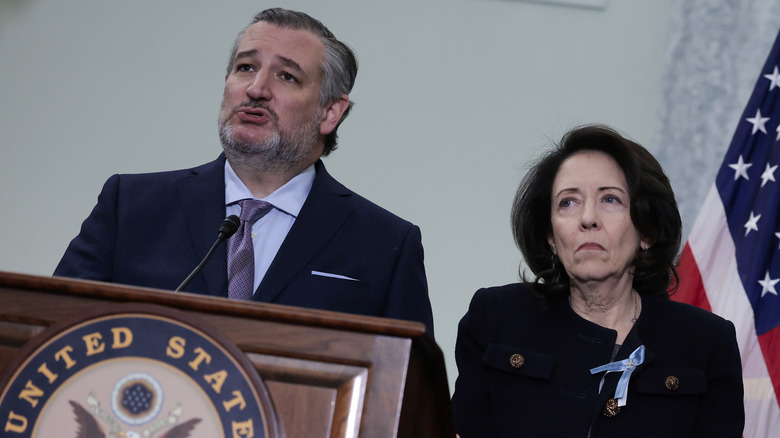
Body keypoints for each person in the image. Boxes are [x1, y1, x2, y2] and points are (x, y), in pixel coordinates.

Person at [53, 8, 434, 334]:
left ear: (330, 112)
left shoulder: (384, 244)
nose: (256, 88)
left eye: (287, 76)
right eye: (246, 67)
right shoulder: (131, 206)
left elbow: (403, 386)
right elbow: (53, 331)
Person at [451, 125, 743, 437]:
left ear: (646, 232)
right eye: (568, 202)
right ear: (551, 236)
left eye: (610, 199)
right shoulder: (495, 317)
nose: (588, 218)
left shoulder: (706, 342)